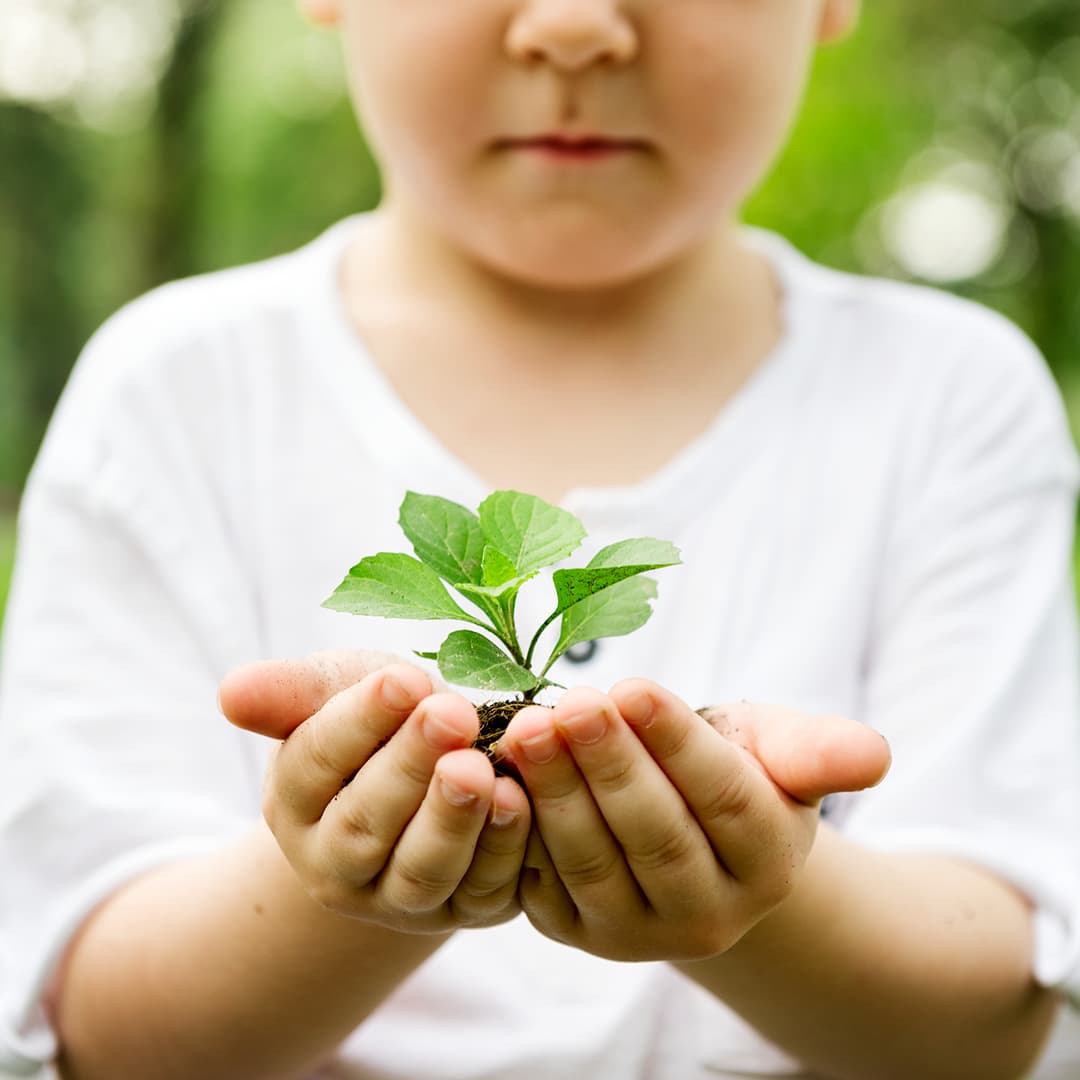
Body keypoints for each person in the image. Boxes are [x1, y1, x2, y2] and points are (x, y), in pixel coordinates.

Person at [1, 0, 1078, 1076]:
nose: (572, 27)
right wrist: (341, 878)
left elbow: (995, 1007)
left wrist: (765, 885)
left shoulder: (948, 398)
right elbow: (105, 1027)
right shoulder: (176, 395)